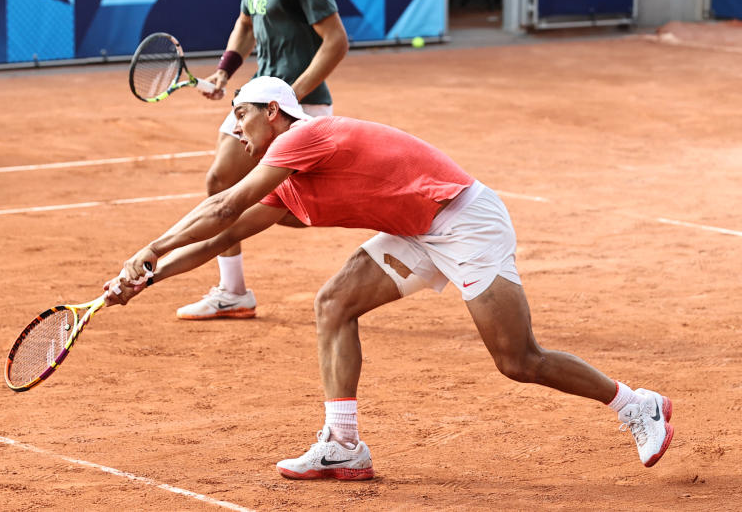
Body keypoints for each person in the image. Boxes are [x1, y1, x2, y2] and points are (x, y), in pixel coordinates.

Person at [105, 76, 674, 480]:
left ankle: (635, 404)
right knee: (333, 303)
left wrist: (149, 247)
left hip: (461, 218)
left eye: (243, 115)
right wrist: (146, 277)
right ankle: (344, 445)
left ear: (274, 113)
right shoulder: (284, 186)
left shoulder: (303, 137)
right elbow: (217, 241)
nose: (235, 129)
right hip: (413, 229)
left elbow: (224, 208)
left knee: (518, 360)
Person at [176, 0, 349, 321]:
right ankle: (233, 292)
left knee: (297, 209)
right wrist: (222, 72)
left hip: (298, 106)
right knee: (219, 181)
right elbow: (247, 25)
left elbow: (336, 42)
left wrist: (290, 95)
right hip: (256, 100)